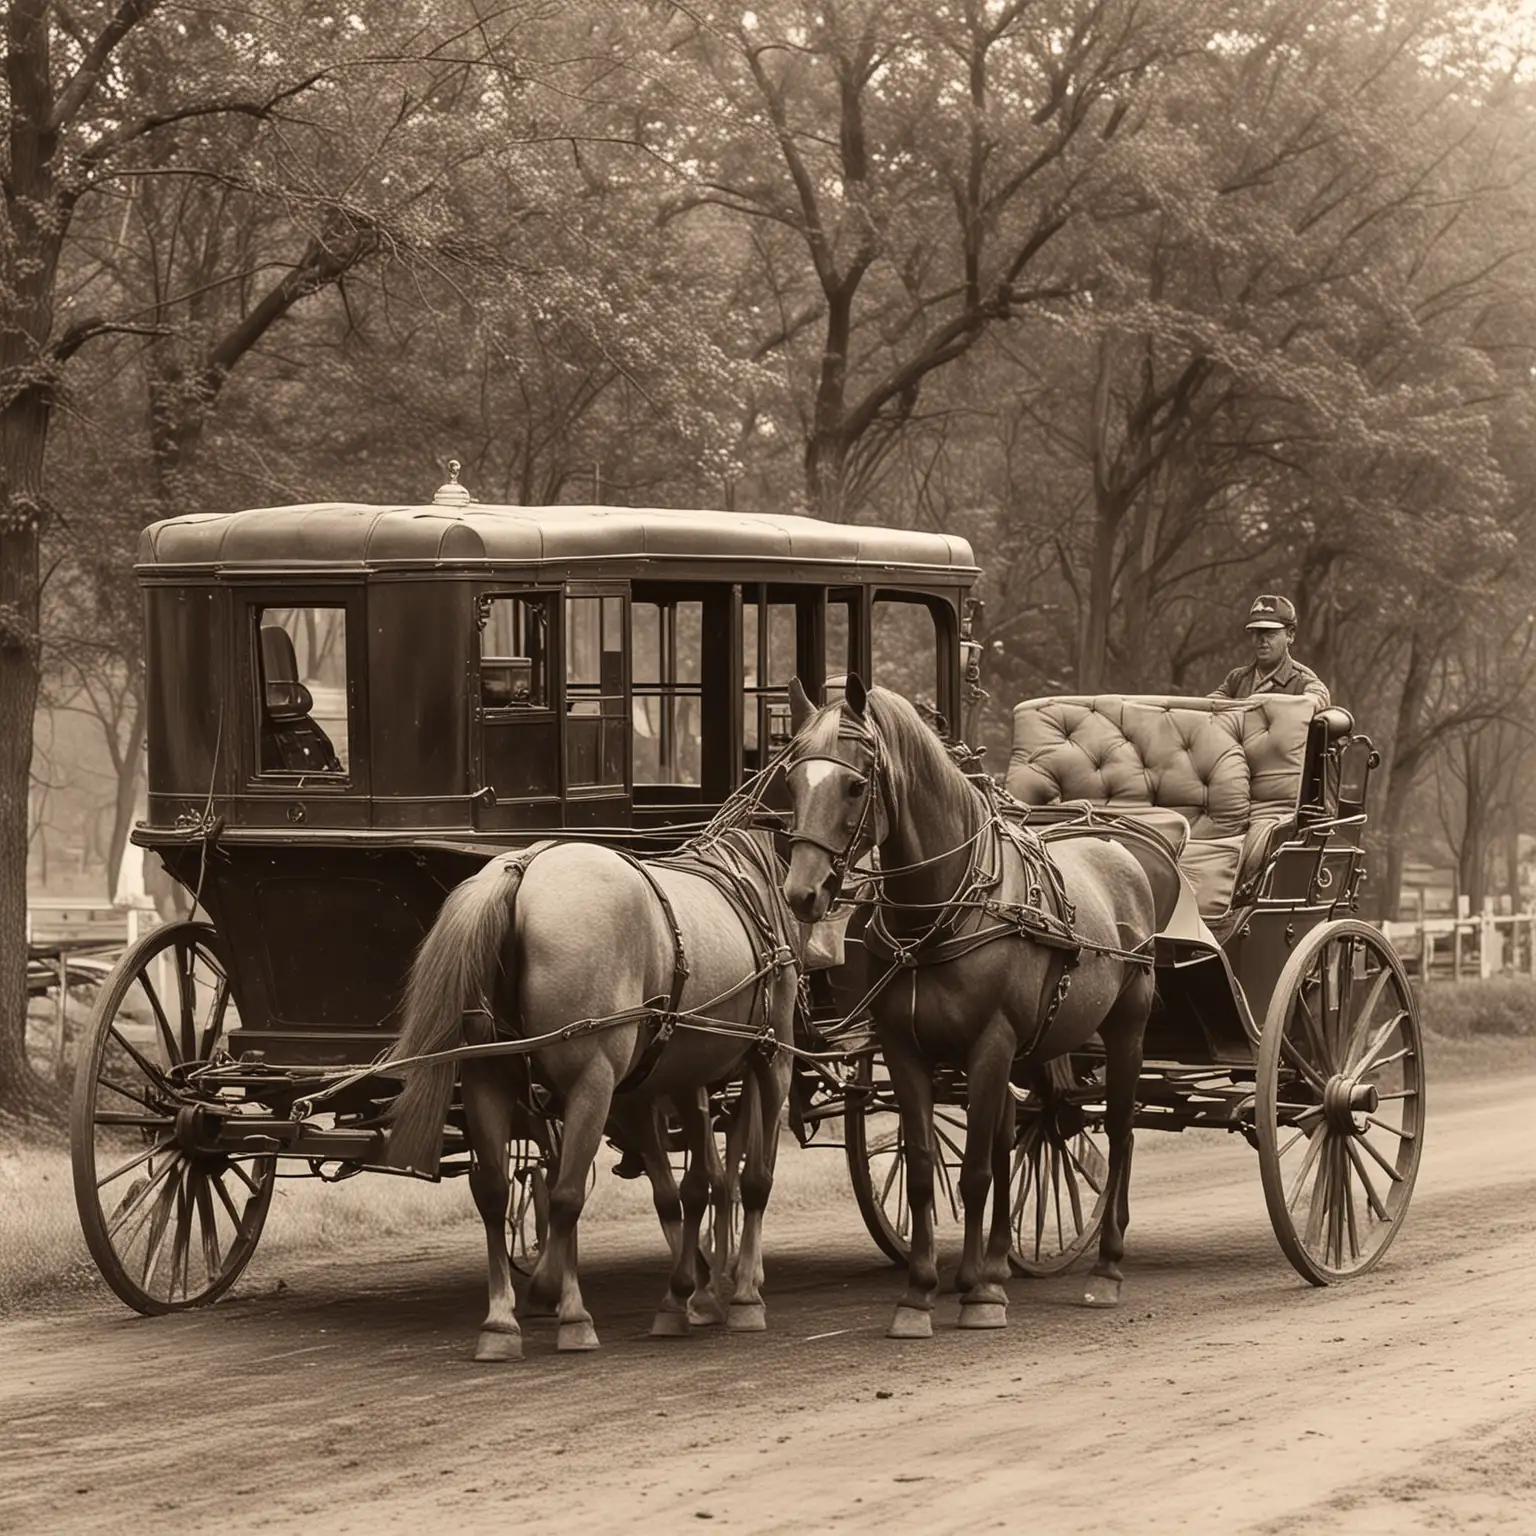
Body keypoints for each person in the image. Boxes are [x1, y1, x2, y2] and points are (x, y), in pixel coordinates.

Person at [1211, 594, 1331, 705]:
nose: (1262, 640)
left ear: (1290, 635)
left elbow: (1315, 701)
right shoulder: (1238, 679)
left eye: (1270, 633)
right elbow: (1208, 705)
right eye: (1257, 633)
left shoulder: (1304, 682)